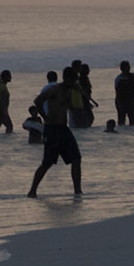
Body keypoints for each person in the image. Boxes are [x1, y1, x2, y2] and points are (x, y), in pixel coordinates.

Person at [27, 69, 82, 197]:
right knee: (47, 162)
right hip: (52, 129)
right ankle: (32, 190)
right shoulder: (54, 90)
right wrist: (45, 117)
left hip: (63, 128)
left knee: (76, 159)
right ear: (67, 78)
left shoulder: (70, 90)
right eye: (73, 79)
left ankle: (78, 190)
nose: (74, 82)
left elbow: (73, 107)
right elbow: (38, 101)